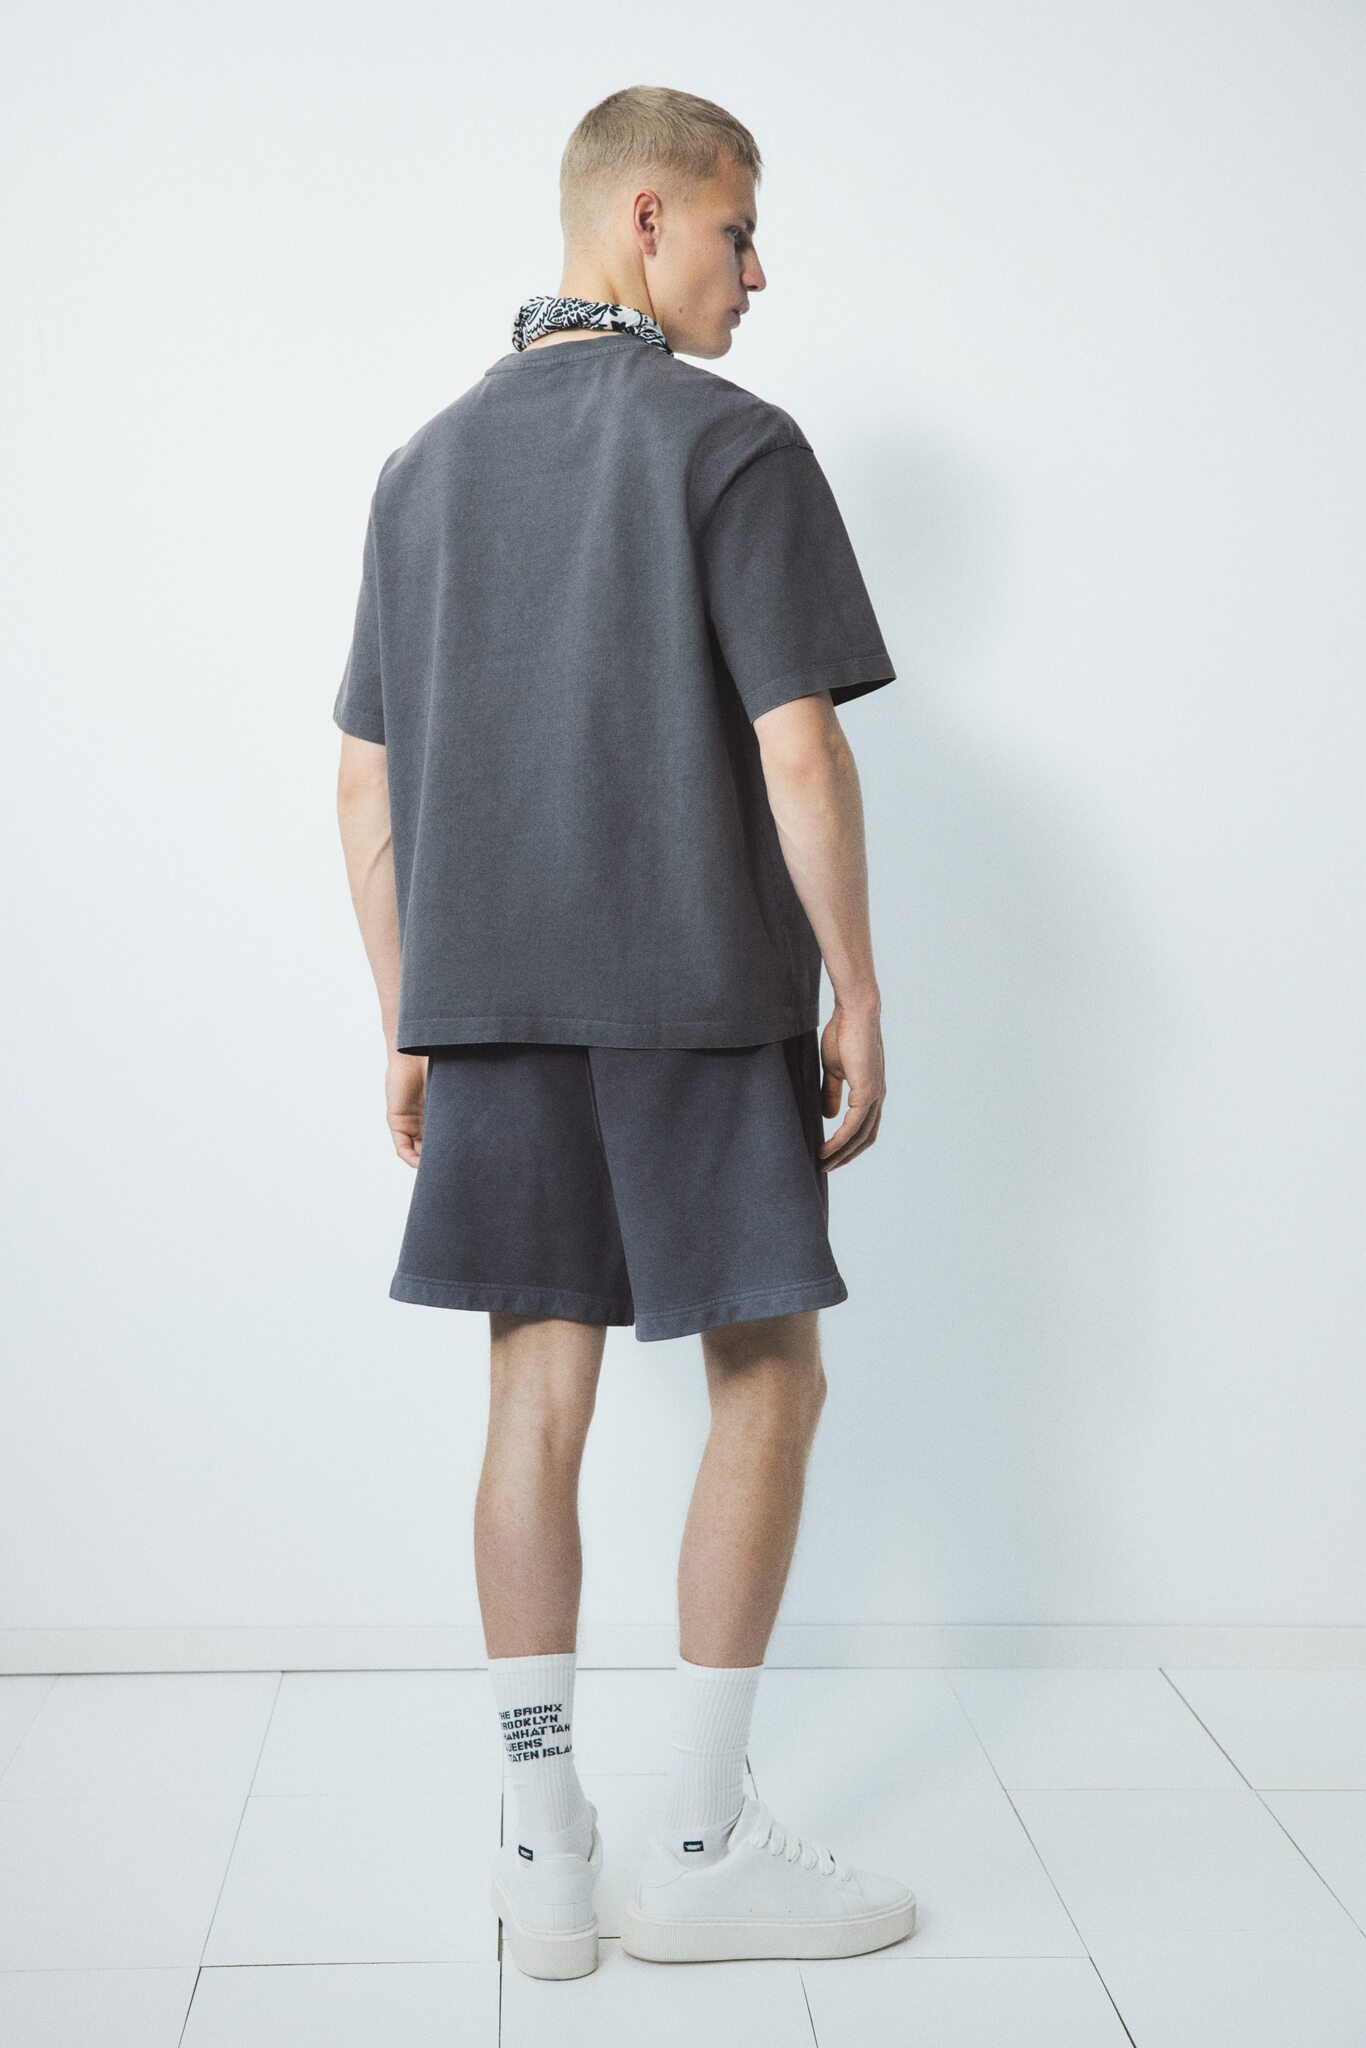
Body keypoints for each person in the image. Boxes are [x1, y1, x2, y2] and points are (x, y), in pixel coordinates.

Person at [332, 83, 915, 1978]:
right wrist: (857, 983)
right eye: (739, 230)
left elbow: (363, 787)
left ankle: (540, 1849)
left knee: (533, 1395)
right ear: (647, 219)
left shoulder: (421, 468)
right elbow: (799, 752)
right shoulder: (730, 443)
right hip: (694, 989)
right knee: (768, 1378)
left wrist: (408, 1014)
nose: (758, 272)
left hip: (487, 999)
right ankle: (694, 1840)